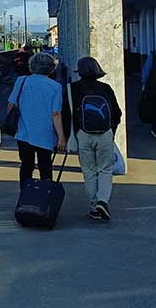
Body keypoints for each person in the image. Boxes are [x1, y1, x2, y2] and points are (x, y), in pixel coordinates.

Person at [70, 56, 122, 221]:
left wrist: (68, 136)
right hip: (105, 134)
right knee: (106, 169)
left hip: (83, 134)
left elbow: (67, 114)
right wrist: (110, 131)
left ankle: (94, 205)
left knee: (89, 171)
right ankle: (102, 201)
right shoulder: (106, 88)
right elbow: (117, 113)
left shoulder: (72, 89)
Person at [7, 52, 67, 183]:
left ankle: (25, 196)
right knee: (45, 168)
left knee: (26, 166)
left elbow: (11, 105)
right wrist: (61, 137)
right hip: (45, 135)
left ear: (31, 66)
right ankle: (44, 199)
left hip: (23, 133)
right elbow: (55, 114)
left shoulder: (21, 81)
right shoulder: (55, 87)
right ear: (51, 68)